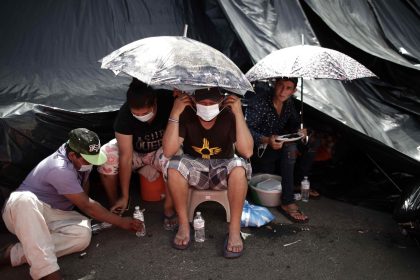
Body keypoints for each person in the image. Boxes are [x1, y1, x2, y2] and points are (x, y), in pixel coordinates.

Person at [1, 128, 142, 280]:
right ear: (72, 155)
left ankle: (13, 254)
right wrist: (121, 222)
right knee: (25, 199)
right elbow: (87, 205)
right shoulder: (59, 168)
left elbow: (83, 192)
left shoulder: (79, 158)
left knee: (82, 235)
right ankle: (48, 274)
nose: (91, 163)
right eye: (87, 160)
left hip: (55, 214)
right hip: (22, 211)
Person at [162, 88, 253, 258]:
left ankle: (234, 231)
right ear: (194, 101)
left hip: (223, 167)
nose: (207, 106)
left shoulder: (229, 114)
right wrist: (175, 112)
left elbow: (247, 151)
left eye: (212, 103)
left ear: (221, 102)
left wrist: (239, 114)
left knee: (240, 168)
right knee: (173, 167)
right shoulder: (187, 113)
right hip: (195, 166)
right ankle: (183, 225)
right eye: (203, 103)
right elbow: (168, 151)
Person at [97, 78, 177, 230]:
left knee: (174, 158)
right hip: (135, 153)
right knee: (107, 155)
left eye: (145, 113)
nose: (141, 116)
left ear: (154, 103)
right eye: (136, 113)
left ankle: (169, 207)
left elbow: (170, 144)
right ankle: (117, 204)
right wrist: (125, 196)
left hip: (160, 150)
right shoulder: (124, 116)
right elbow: (126, 156)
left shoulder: (167, 101)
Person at [246, 77, 312, 223]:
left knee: (309, 142)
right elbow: (246, 129)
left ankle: (300, 183)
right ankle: (287, 202)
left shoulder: (288, 103)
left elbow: (294, 123)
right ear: (275, 85)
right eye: (280, 86)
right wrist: (266, 140)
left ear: (293, 91)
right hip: (259, 150)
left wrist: (301, 130)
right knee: (290, 148)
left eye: (288, 88)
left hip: (277, 146)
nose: (283, 91)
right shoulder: (260, 101)